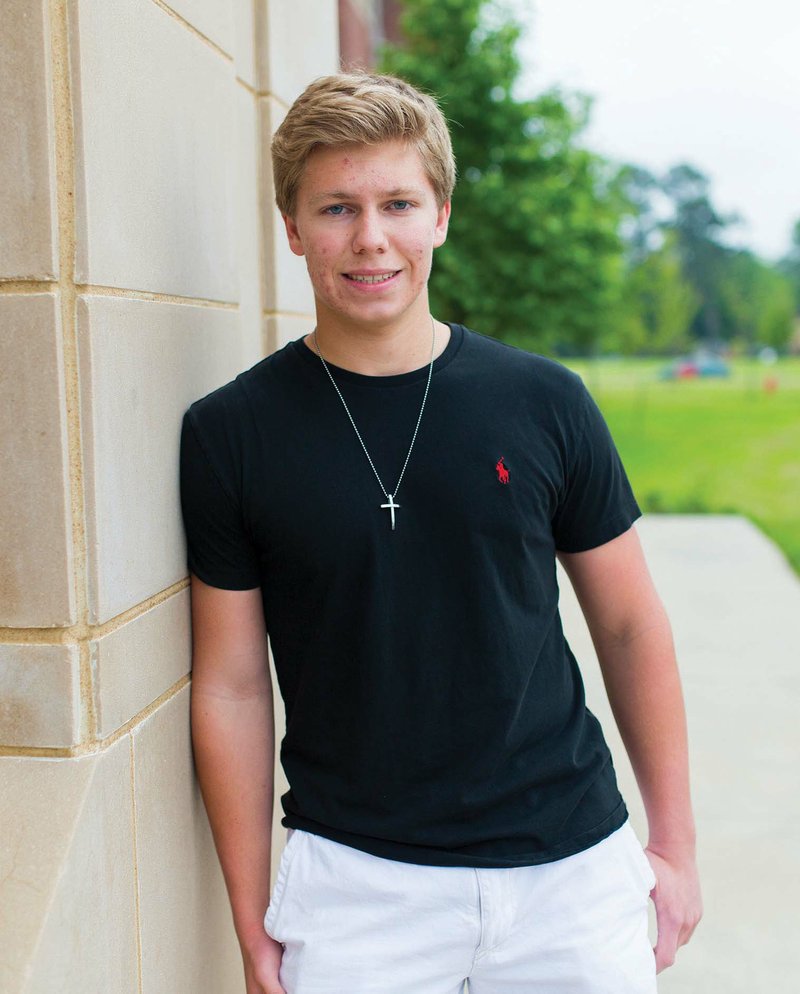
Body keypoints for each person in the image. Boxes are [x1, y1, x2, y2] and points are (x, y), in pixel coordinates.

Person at [180, 71, 702, 994]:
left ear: (440, 217)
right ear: (294, 229)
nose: (370, 237)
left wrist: (675, 846)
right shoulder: (231, 433)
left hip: (568, 873)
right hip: (355, 889)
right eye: (337, 208)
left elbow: (628, 623)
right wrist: (254, 915)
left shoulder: (544, 402)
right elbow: (230, 686)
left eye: (398, 203)